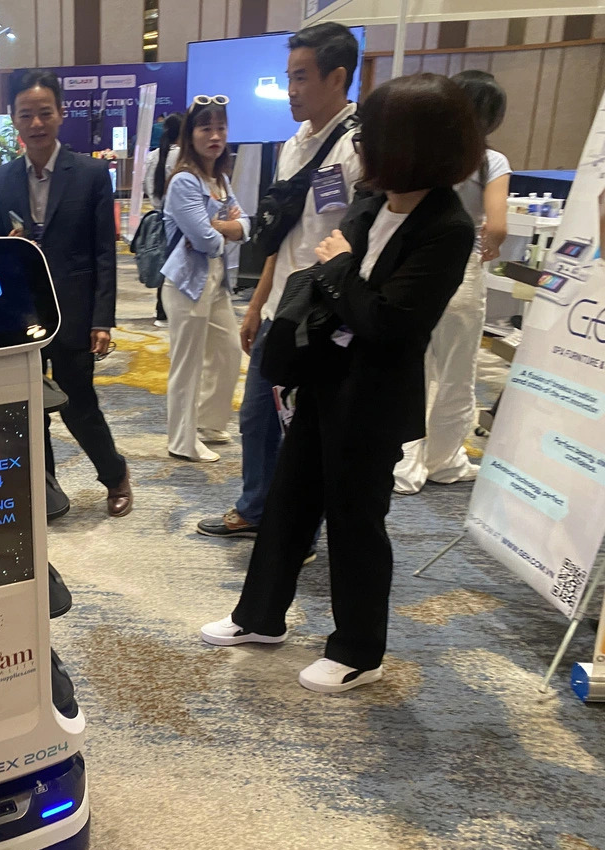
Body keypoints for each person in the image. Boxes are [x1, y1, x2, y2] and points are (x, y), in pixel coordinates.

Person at [200, 73, 481, 693]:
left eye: (373, 137)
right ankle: (260, 616)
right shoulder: (372, 203)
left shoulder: (447, 226)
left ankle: (358, 649)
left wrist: (340, 271)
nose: (361, 149)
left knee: (356, 522)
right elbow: (343, 291)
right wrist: (343, 278)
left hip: (375, 398)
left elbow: (389, 323)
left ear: (411, 144)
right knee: (290, 502)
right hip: (325, 376)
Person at [196, 22, 360, 540]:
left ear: (337, 78)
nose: (290, 89)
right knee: (258, 420)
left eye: (302, 77)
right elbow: (280, 236)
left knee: (305, 427)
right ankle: (256, 507)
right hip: (279, 309)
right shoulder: (293, 144)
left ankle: (299, 531)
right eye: (288, 76)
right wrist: (256, 305)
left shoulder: (359, 150)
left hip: (323, 317)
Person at [0, 70, 133, 518]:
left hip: (74, 312)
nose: (36, 123)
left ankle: (114, 473)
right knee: (28, 409)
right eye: (26, 115)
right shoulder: (0, 180)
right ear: (14, 120)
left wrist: (102, 319)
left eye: (45, 113)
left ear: (61, 114)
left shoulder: (88, 175)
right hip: (19, 316)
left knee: (77, 405)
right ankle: (45, 489)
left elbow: (105, 252)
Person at [393, 70, 510, 494]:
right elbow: (496, 226)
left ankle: (404, 463)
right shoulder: (490, 162)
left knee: (415, 366)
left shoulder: (426, 157)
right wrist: (486, 247)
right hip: (464, 273)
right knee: (458, 372)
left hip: (421, 270)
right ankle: (443, 460)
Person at [160, 98, 247, 463]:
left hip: (216, 283)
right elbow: (205, 241)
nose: (214, 135)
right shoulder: (184, 181)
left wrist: (221, 227)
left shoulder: (221, 179)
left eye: (220, 128)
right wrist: (225, 228)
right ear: (190, 135)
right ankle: (181, 439)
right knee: (188, 362)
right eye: (205, 128)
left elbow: (246, 226)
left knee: (228, 350)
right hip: (185, 284)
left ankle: (209, 422)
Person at [143, 112, 182, 327]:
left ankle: (161, 312)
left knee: (164, 264)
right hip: (179, 220)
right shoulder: (183, 156)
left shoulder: (153, 156)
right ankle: (169, 312)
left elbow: (148, 189)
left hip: (159, 216)